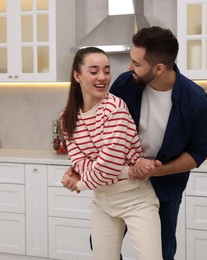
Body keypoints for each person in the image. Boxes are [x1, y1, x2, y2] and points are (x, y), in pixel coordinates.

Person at [109, 26, 207, 260]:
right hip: (121, 182)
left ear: (159, 68)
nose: (129, 67)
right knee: (104, 247)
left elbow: (199, 152)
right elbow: (106, 128)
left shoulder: (196, 101)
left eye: (136, 63)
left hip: (164, 188)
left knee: (161, 254)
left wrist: (160, 171)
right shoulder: (125, 84)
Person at [59, 46, 162, 260]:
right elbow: (80, 162)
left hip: (136, 199)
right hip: (102, 201)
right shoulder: (67, 116)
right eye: (94, 71)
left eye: (106, 71)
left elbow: (107, 166)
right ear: (77, 75)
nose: (102, 77)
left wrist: (80, 184)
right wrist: (126, 170)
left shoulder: (115, 109)